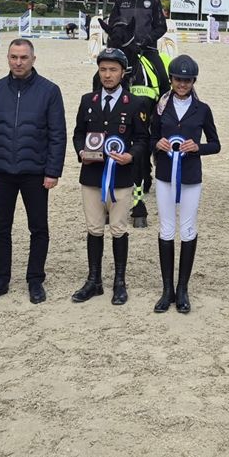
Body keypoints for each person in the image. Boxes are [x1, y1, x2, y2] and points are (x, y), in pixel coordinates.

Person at [0, 39, 66, 305]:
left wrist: (53, 170)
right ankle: (1, 279)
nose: (18, 62)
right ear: (7, 58)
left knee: (38, 227)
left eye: (23, 57)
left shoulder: (49, 91)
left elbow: (57, 134)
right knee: (0, 228)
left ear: (33, 59)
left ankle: (35, 278)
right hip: (1, 170)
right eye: (14, 57)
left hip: (35, 172)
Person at [71, 48, 150, 305]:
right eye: (103, 69)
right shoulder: (88, 101)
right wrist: (81, 150)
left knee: (118, 229)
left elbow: (142, 139)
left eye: (113, 69)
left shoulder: (136, 104)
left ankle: (119, 281)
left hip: (121, 176)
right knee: (93, 228)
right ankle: (94, 280)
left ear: (122, 72)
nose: (107, 75)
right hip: (92, 175)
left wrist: (131, 155)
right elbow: (78, 133)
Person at [150, 54, 220, 313]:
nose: (182, 84)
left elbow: (216, 144)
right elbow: (149, 138)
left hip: (190, 177)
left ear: (193, 81)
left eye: (187, 80)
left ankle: (183, 289)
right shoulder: (160, 107)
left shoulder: (202, 109)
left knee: (187, 228)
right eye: (178, 80)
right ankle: (167, 289)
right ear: (171, 80)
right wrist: (156, 144)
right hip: (165, 175)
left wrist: (197, 147)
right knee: (166, 229)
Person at [108, 0, 169, 93]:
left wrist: (147, 39)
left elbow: (161, 27)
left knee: (164, 80)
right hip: (123, 50)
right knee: (100, 78)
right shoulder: (120, 1)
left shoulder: (153, 2)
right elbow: (112, 25)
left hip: (147, 50)